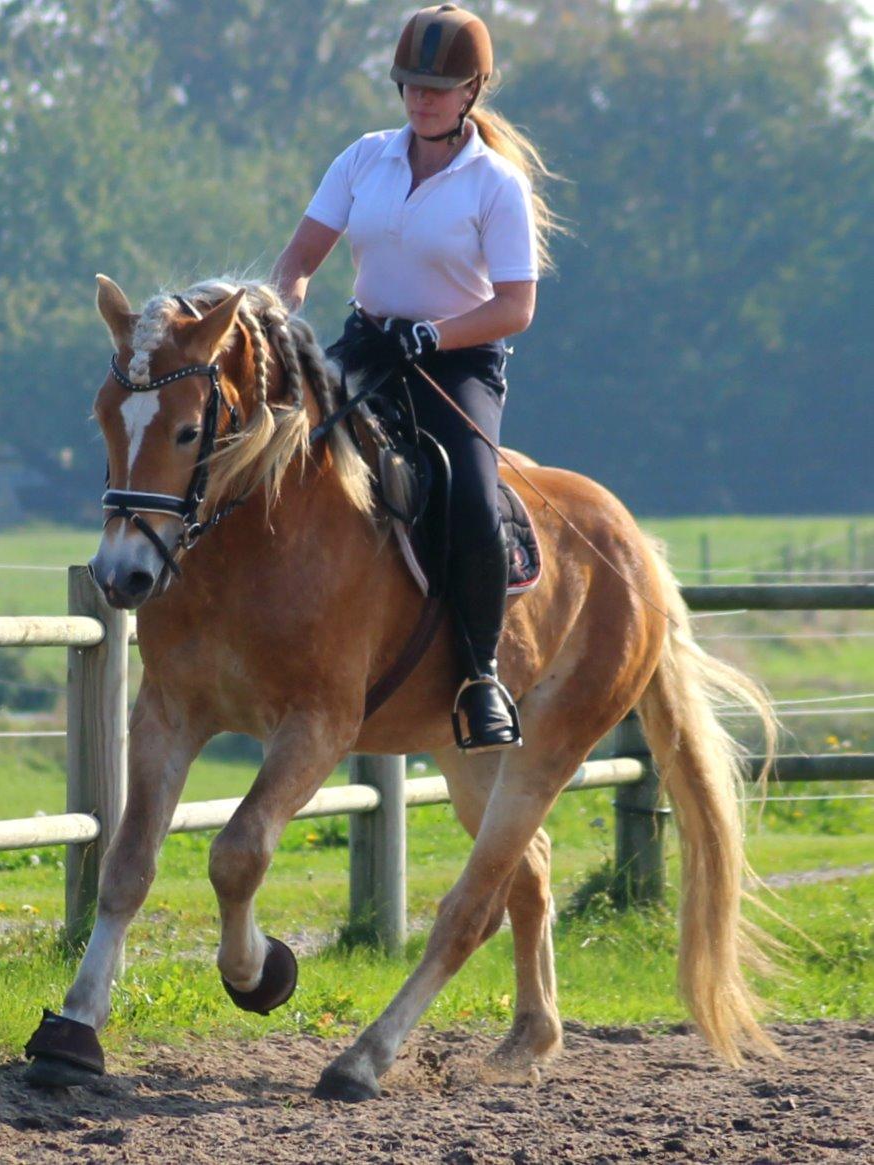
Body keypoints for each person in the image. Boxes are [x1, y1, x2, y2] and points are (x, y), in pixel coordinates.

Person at [272, 3, 555, 752]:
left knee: (467, 489)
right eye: (411, 85)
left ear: (472, 91)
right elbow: (301, 259)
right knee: (273, 448)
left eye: (438, 88)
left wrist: (433, 334)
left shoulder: (495, 184)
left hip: (456, 362)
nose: (421, 99)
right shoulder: (364, 158)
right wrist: (281, 306)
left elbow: (517, 306)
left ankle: (480, 672)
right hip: (366, 346)